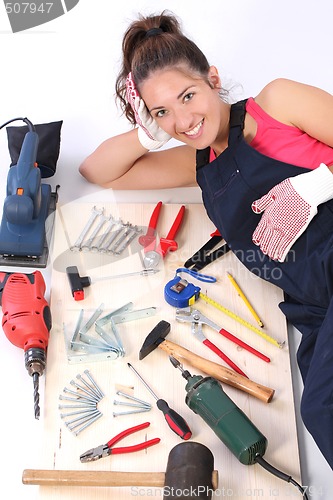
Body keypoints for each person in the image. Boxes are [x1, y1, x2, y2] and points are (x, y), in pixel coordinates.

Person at [79, 11, 333, 469]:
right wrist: (146, 134)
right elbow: (97, 171)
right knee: (321, 412)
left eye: (188, 95)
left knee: (322, 407)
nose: (183, 119)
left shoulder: (276, 104)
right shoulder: (196, 166)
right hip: (314, 308)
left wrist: (317, 186)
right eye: (163, 111)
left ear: (212, 78)